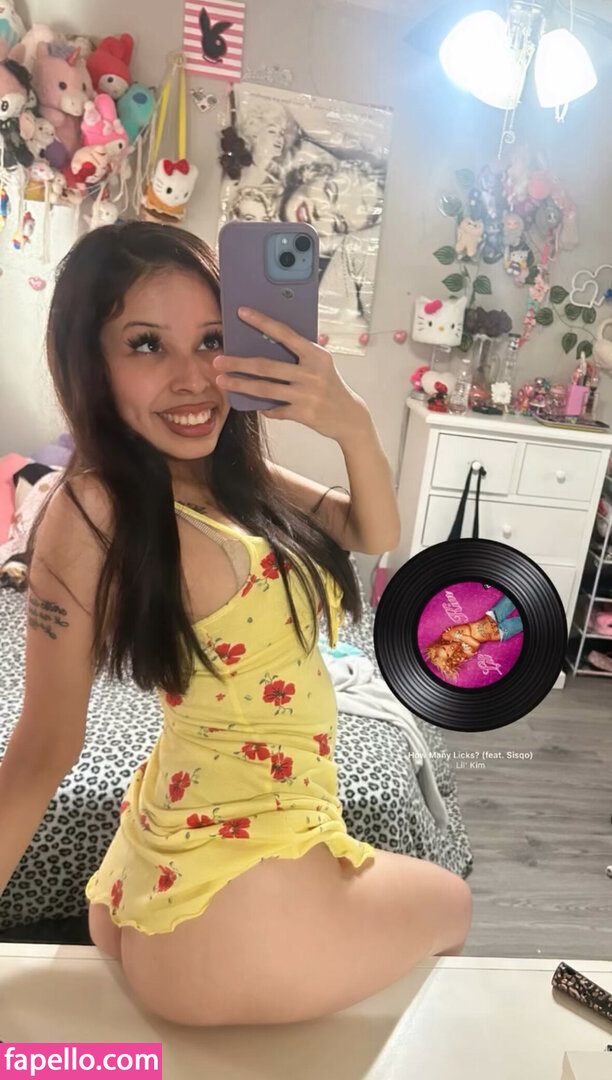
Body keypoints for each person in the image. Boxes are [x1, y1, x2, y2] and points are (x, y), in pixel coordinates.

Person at [0, 221, 471, 1027]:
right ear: (92, 363)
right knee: (452, 905)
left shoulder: (225, 473)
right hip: (232, 906)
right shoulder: (94, 505)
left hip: (178, 867)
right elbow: (43, 749)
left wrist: (351, 422)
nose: (193, 379)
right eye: (147, 344)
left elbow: (373, 530)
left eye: (212, 340)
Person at [425, 595, 524, 681]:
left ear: (441, 644)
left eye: (444, 648)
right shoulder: (462, 655)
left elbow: (467, 631)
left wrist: (464, 638)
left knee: (515, 593)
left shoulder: (447, 634)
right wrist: (460, 636)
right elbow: (476, 644)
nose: (448, 650)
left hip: (493, 615)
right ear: (450, 658)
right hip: (502, 632)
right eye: (447, 654)